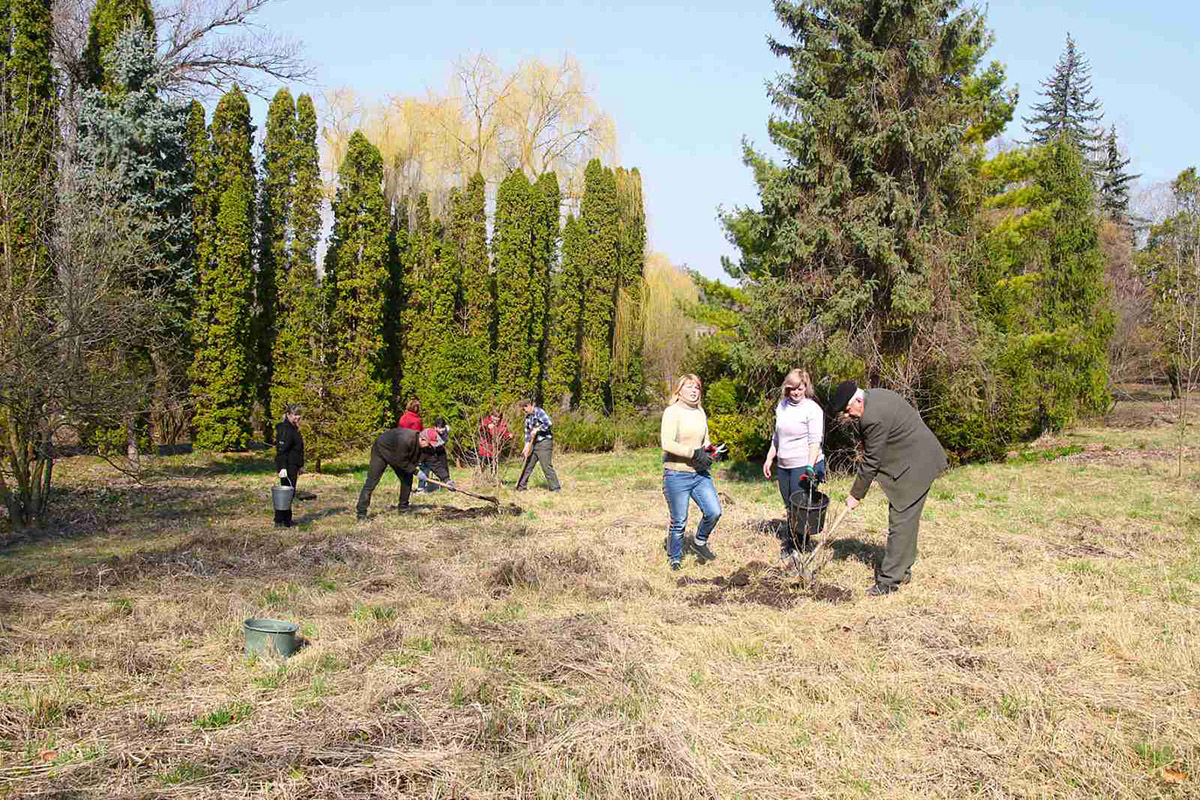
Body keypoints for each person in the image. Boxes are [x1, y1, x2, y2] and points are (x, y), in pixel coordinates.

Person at [830, 380, 948, 596]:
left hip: (917, 464)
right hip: (915, 457)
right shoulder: (874, 396)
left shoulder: (873, 417)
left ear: (858, 400)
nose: (848, 415)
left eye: (848, 410)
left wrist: (856, 495)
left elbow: (871, 461)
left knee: (900, 520)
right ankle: (902, 571)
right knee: (907, 520)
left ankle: (888, 582)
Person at [660, 374, 722, 571]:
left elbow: (705, 440)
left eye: (697, 387)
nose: (694, 391)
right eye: (689, 387)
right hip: (677, 474)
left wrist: (712, 451)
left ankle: (699, 542)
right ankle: (675, 557)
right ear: (679, 391)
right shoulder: (672, 412)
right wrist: (694, 453)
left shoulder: (700, 412)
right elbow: (667, 443)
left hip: (699, 474)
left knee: (714, 511)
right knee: (679, 521)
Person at [763, 369, 826, 560]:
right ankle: (794, 542)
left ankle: (798, 546)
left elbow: (815, 442)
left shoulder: (813, 409)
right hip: (784, 464)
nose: (796, 392)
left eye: (800, 388)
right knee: (789, 505)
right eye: (792, 388)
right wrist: (769, 458)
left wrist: (810, 467)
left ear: (806, 387)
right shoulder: (782, 406)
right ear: (787, 388)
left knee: (800, 507)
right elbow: (777, 436)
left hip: (804, 464)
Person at [356, 427, 442, 520]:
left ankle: (403, 508)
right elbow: (400, 461)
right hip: (382, 449)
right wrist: (416, 471)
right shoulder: (405, 440)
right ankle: (361, 513)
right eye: (429, 444)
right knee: (372, 481)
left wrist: (446, 479)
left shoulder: (426, 447)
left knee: (407, 479)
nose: (430, 447)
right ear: (422, 439)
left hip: (398, 455)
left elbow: (435, 463)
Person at [515, 399, 561, 492]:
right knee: (528, 465)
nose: (524, 411)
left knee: (546, 466)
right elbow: (527, 433)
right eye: (523, 409)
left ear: (529, 405)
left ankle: (555, 488)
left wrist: (538, 429)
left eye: (524, 408)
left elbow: (549, 423)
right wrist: (526, 446)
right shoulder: (528, 418)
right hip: (533, 444)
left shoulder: (539, 412)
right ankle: (521, 487)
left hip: (544, 443)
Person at [273, 404, 305, 528]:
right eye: (295, 415)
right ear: (288, 415)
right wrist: (282, 468)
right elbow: (281, 450)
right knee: (284, 494)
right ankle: (279, 521)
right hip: (287, 465)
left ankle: (287, 520)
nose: (298, 417)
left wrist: (300, 465)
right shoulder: (285, 429)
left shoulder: (294, 428)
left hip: (293, 465)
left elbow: (298, 449)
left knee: (290, 493)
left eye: (299, 414)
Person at [417, 418, 454, 492]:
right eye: (439, 428)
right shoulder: (429, 433)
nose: (441, 430)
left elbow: (446, 432)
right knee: (426, 468)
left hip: (440, 448)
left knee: (443, 465)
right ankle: (421, 488)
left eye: (443, 428)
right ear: (435, 427)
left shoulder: (446, 429)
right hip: (428, 449)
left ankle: (447, 483)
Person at [477, 407, 512, 473]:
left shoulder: (502, 423)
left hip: (495, 450)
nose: (496, 420)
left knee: (493, 468)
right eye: (494, 417)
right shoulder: (486, 421)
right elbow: (481, 428)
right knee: (482, 467)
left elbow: (504, 432)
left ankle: (493, 477)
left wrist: (508, 435)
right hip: (484, 449)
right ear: (491, 416)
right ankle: (481, 476)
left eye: (497, 418)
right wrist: (487, 426)